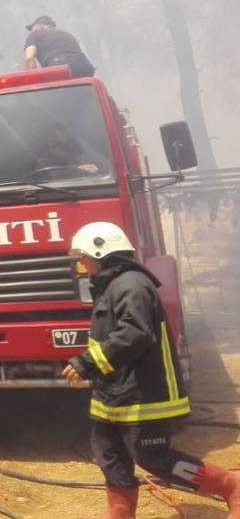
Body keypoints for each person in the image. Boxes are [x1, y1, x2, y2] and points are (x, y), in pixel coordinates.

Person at [62, 221, 240, 518]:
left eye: (83, 256)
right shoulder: (111, 286)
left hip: (145, 394)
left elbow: (136, 334)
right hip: (115, 392)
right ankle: (120, 513)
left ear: (100, 251)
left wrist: (87, 362)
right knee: (109, 451)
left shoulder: (131, 285)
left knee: (152, 457)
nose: (81, 263)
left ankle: (230, 485)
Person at [23, 15, 95, 77]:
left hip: (59, 66)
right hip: (83, 66)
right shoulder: (66, 34)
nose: (31, 30)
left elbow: (29, 58)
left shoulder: (35, 34)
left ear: (40, 25)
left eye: (32, 27)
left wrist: (31, 80)